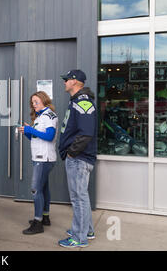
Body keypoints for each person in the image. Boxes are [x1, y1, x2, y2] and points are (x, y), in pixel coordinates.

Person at [57, 70, 97, 248]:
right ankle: (86, 229)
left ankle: (79, 237)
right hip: (77, 158)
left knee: (78, 198)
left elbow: (86, 133)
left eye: (67, 80)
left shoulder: (83, 103)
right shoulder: (76, 102)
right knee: (82, 196)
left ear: (75, 82)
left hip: (79, 158)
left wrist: (72, 153)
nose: (65, 82)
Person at [19, 91, 58, 235]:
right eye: (32, 102)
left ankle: (38, 223)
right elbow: (36, 138)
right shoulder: (40, 117)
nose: (33, 105)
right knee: (43, 189)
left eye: (36, 101)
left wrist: (30, 129)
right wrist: (28, 132)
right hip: (39, 157)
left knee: (36, 190)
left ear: (43, 100)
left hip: (44, 158)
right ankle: (45, 217)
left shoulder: (49, 116)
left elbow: (49, 136)